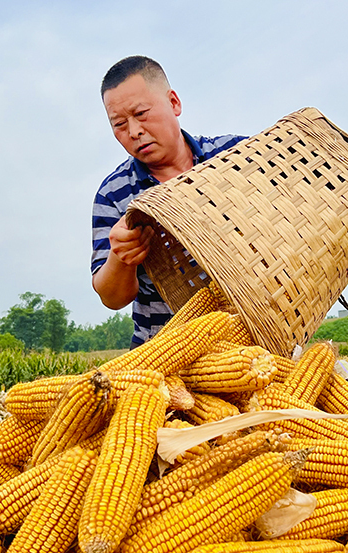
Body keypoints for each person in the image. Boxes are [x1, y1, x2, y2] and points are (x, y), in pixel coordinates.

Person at [91, 56, 247, 347]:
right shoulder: (113, 193)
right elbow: (111, 298)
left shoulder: (234, 156)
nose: (134, 131)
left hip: (252, 342)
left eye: (141, 113)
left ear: (174, 103)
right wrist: (120, 257)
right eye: (120, 124)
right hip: (164, 349)